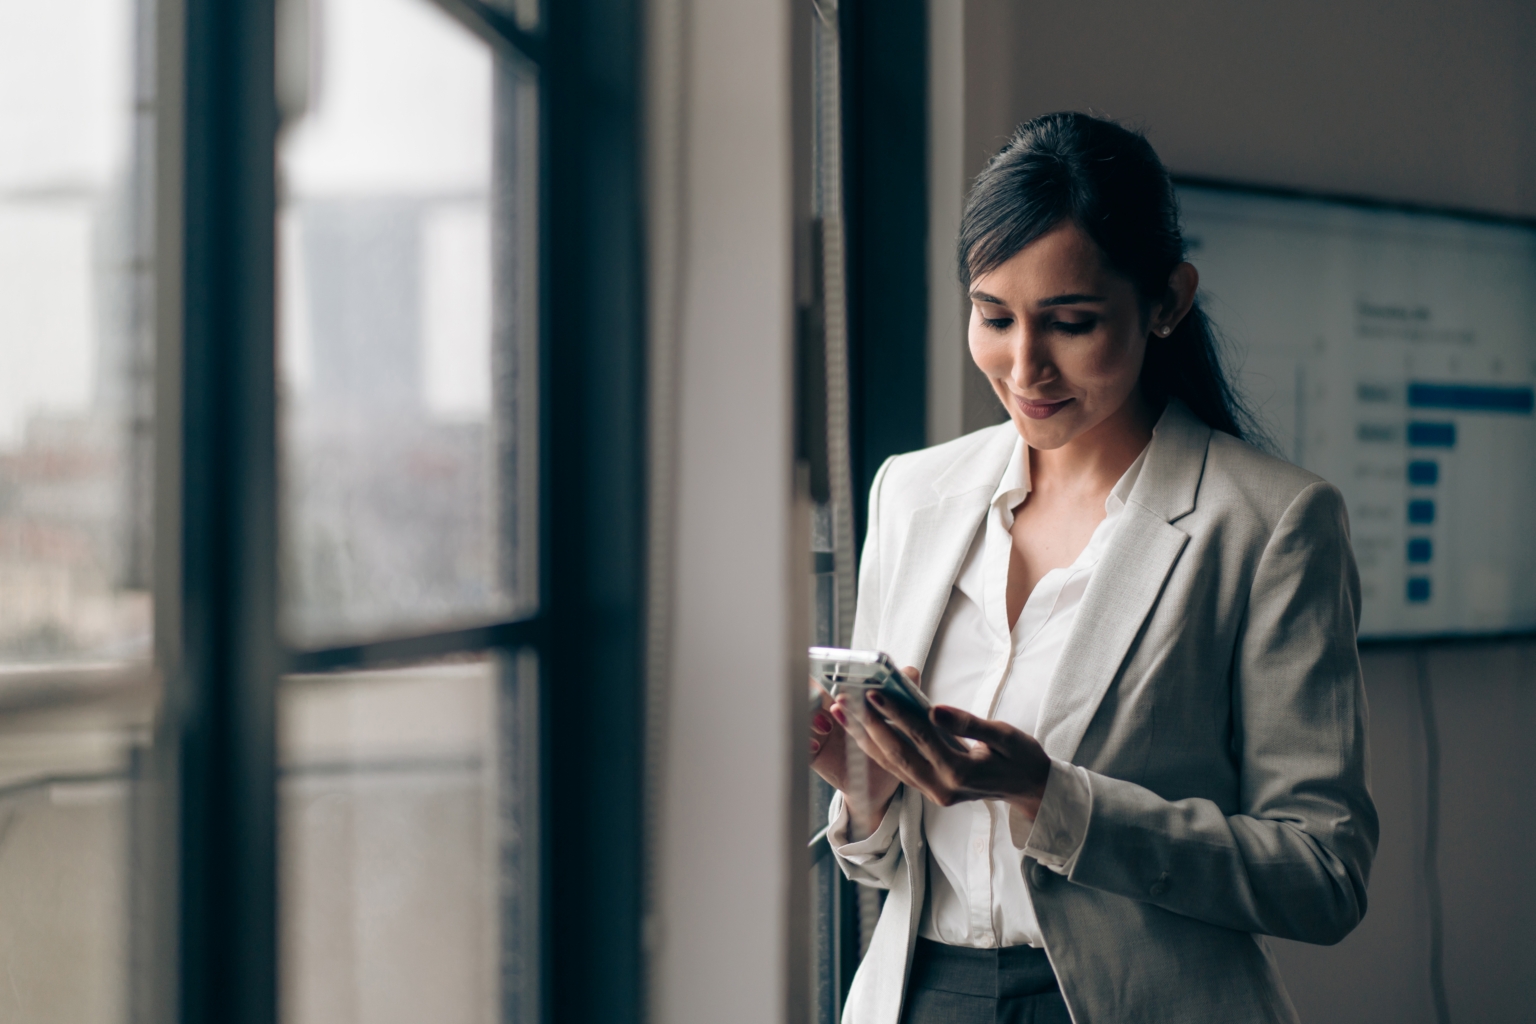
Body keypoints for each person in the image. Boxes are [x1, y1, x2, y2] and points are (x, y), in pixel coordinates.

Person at [808, 112, 1378, 1024]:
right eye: (993, 316)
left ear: (1168, 302)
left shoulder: (1272, 523)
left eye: (1071, 323)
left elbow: (1323, 875)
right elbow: (885, 865)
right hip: (922, 996)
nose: (1024, 365)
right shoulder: (910, 496)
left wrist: (1051, 798)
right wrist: (865, 786)